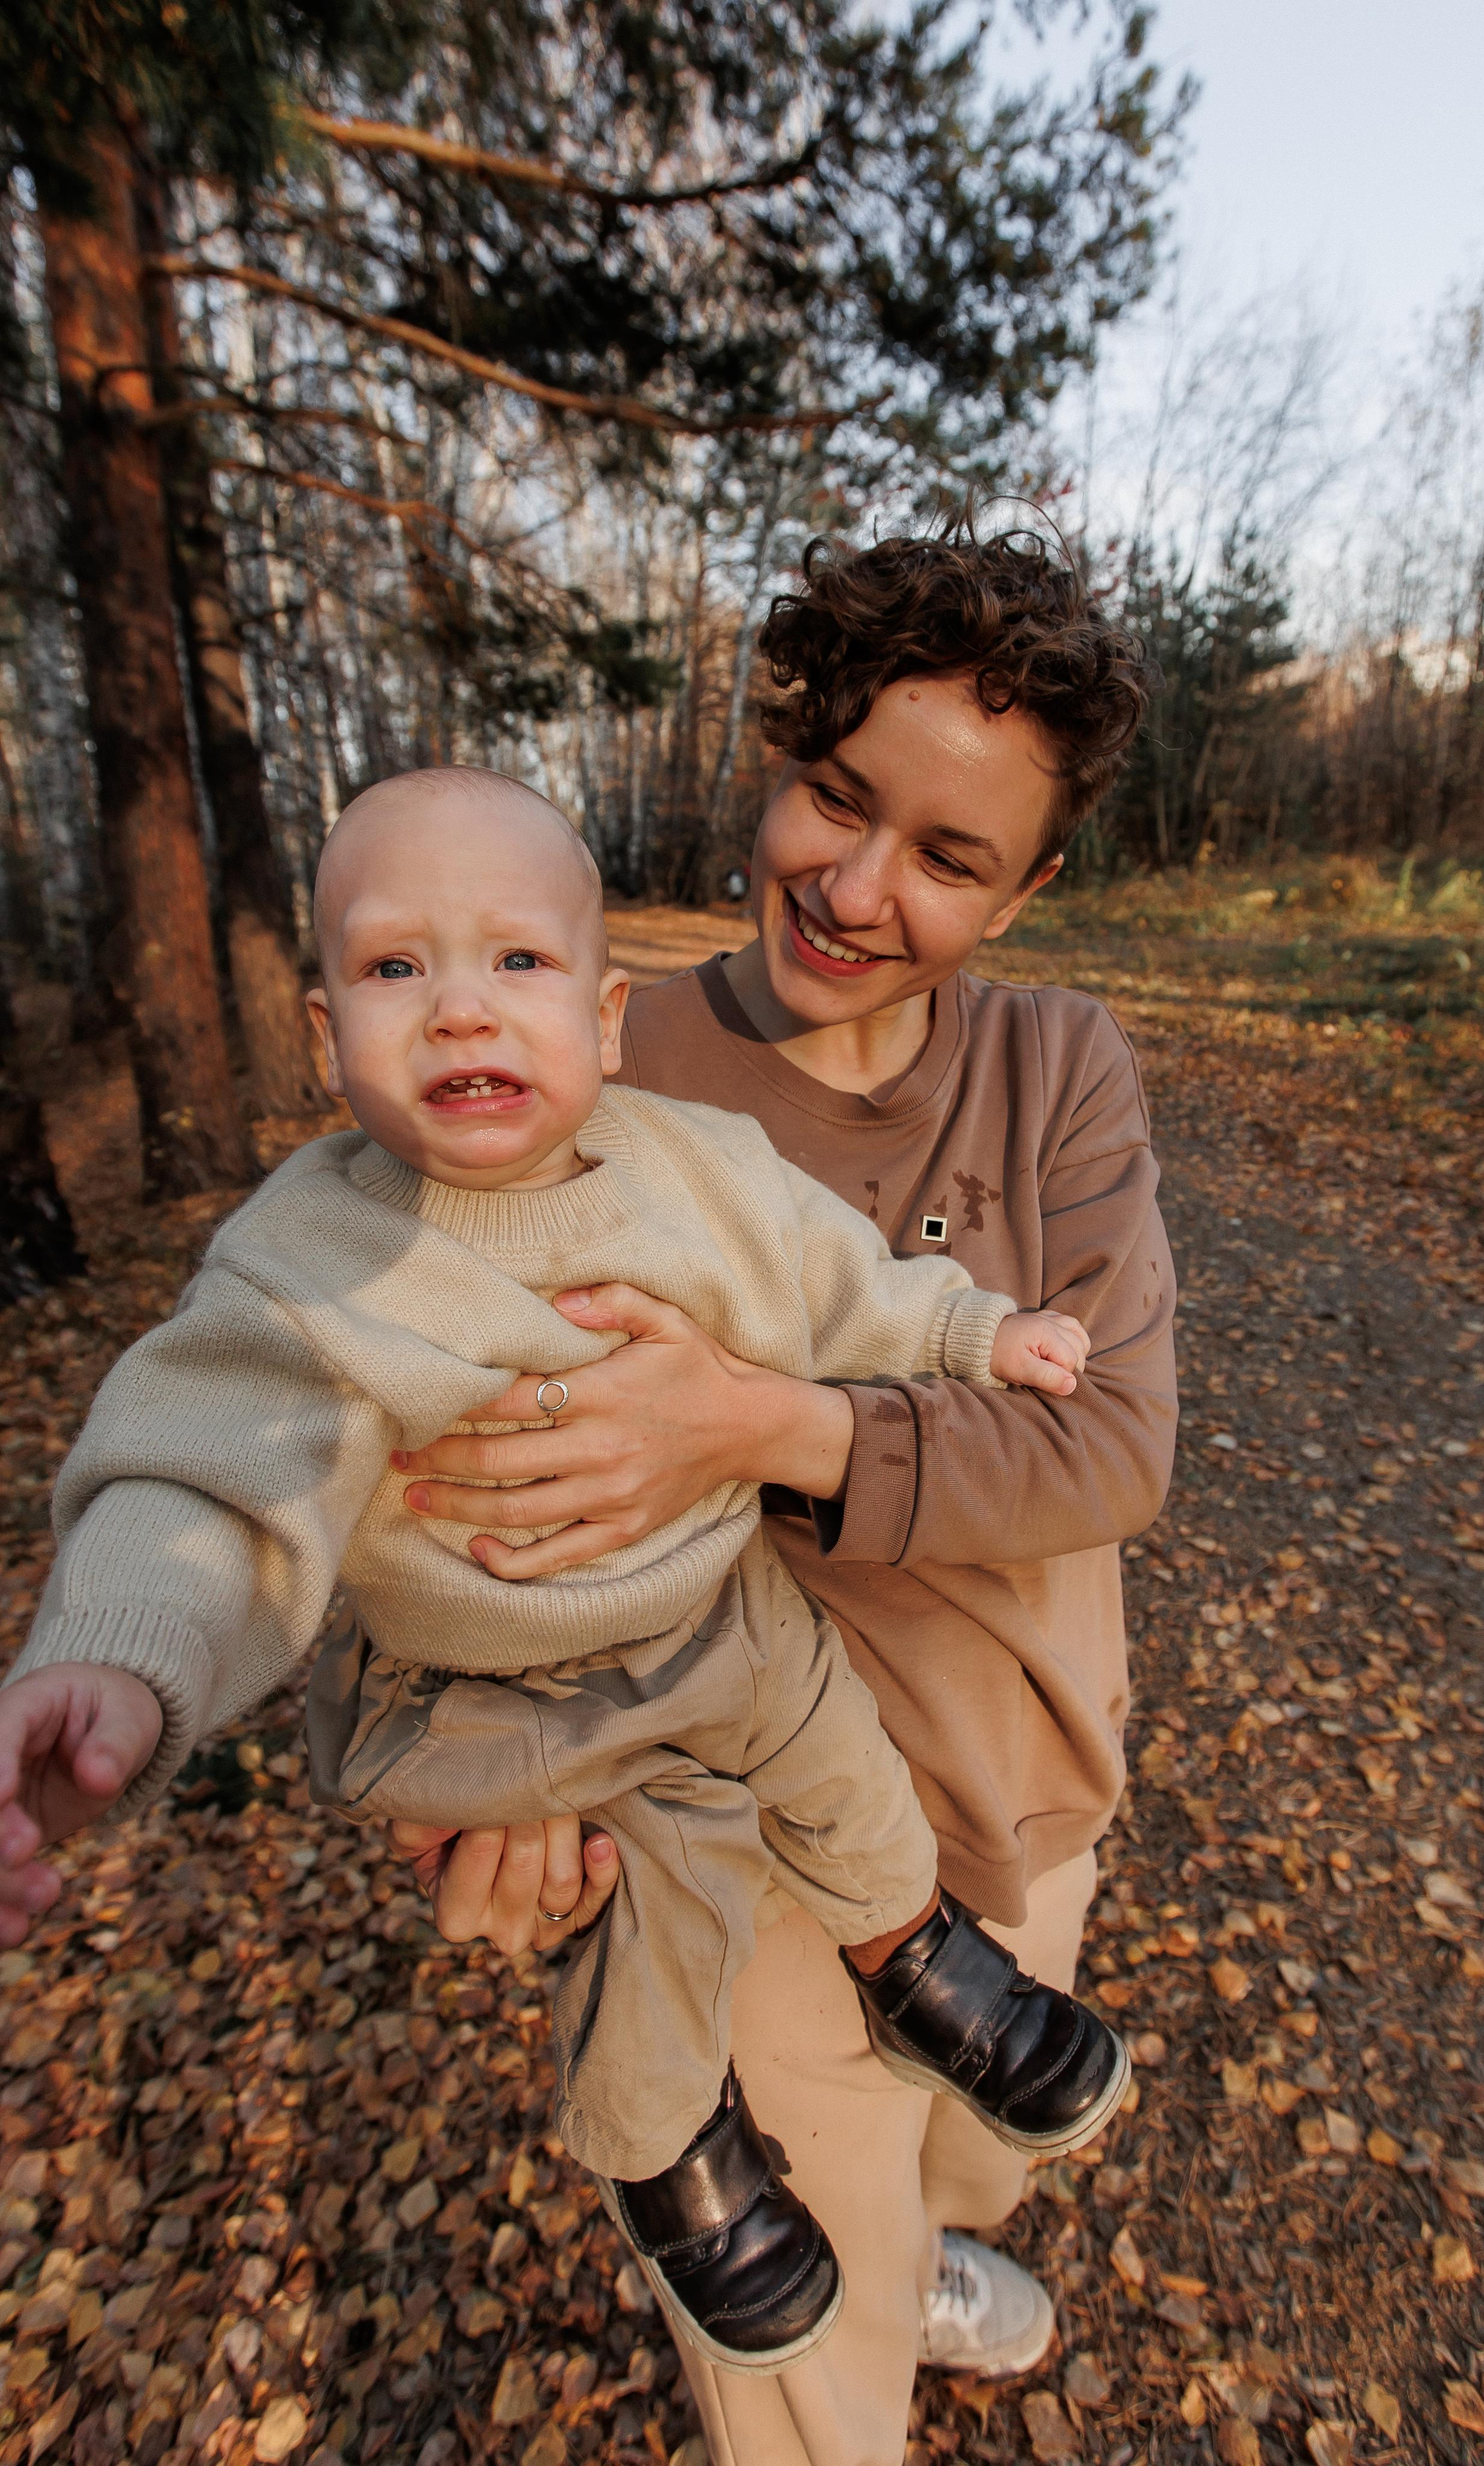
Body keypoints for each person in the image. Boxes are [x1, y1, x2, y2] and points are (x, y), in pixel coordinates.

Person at [0, 765, 1133, 2375]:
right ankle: (667, 2148)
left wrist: (974, 1329)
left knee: (834, 1751)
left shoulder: (701, 1172)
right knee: (648, 1886)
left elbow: (846, 1284)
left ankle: (912, 1958)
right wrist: (116, 1657)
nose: (461, 1009)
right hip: (492, 1687)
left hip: (715, 1606)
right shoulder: (316, 1257)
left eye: (515, 964)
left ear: (604, 1023)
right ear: (325, 1041)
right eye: (397, 969)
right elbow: (209, 1471)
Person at [383, 527, 1179, 2462]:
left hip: (1031, 1780)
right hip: (734, 1835)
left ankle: (924, 2253)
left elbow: (1113, 1444)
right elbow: (436, 1443)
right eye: (839, 795)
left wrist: (759, 1423)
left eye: (950, 855)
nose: (858, 882)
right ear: (784, 747)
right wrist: (466, 1770)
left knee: (983, 2144)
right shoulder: (602, 1057)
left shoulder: (1059, 1070)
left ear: (1030, 889)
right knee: (808, 2382)